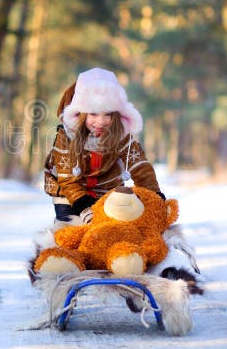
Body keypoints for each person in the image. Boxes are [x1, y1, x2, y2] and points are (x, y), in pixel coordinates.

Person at [43, 68, 163, 229]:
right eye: (93, 114)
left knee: (111, 231)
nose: (100, 121)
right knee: (73, 231)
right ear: (81, 114)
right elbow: (67, 179)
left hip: (107, 192)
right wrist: (84, 207)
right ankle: (60, 249)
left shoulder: (121, 135)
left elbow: (140, 166)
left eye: (107, 114)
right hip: (69, 193)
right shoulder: (66, 137)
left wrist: (154, 196)